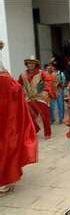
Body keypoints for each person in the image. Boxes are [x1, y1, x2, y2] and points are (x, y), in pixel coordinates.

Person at [0, 41, 37, 195]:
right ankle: (2, 182)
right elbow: (15, 90)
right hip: (4, 119)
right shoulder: (4, 78)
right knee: (5, 144)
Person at [18, 56, 52, 139]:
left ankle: (47, 133)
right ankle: (34, 130)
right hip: (29, 98)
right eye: (29, 63)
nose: (31, 64)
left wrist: (46, 91)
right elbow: (18, 85)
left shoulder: (41, 73)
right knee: (29, 116)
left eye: (32, 63)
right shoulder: (22, 75)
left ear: (35, 64)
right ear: (26, 64)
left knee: (45, 116)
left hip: (41, 97)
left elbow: (48, 81)